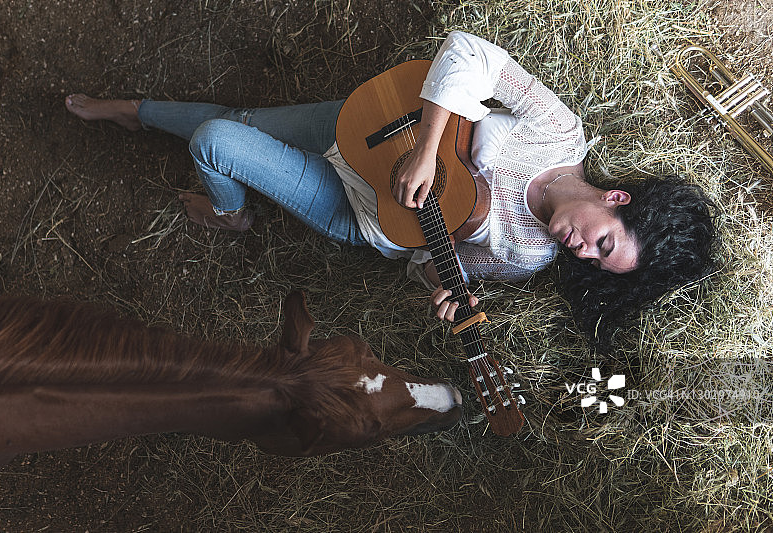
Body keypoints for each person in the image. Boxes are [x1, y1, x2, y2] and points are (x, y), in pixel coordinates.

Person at [65, 31, 716, 343]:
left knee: (216, 141)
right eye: (604, 243)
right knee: (238, 126)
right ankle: (133, 108)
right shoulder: (557, 131)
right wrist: (430, 151)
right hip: (379, 130)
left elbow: (422, 257)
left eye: (595, 264)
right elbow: (465, 52)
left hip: (359, 207)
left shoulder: (527, 254)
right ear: (617, 200)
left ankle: (229, 215)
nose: (581, 251)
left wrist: (439, 280)